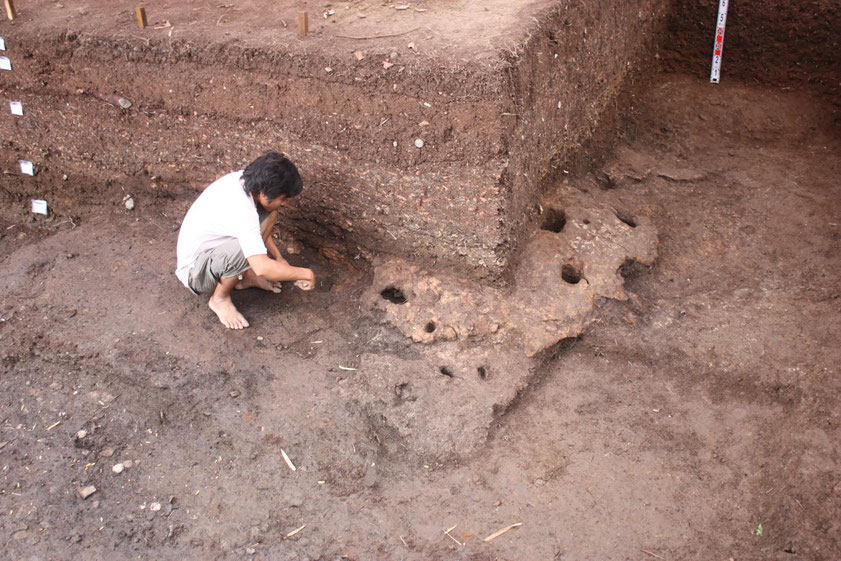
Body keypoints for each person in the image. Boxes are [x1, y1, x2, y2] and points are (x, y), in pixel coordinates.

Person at [175, 151, 316, 329]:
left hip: (215, 251)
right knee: (247, 251)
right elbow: (262, 266)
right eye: (283, 198)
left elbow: (257, 230)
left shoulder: (246, 181)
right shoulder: (242, 210)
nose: (285, 203)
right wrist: (306, 274)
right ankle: (219, 299)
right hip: (195, 273)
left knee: (269, 214)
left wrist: (279, 258)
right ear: (266, 192)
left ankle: (243, 277)